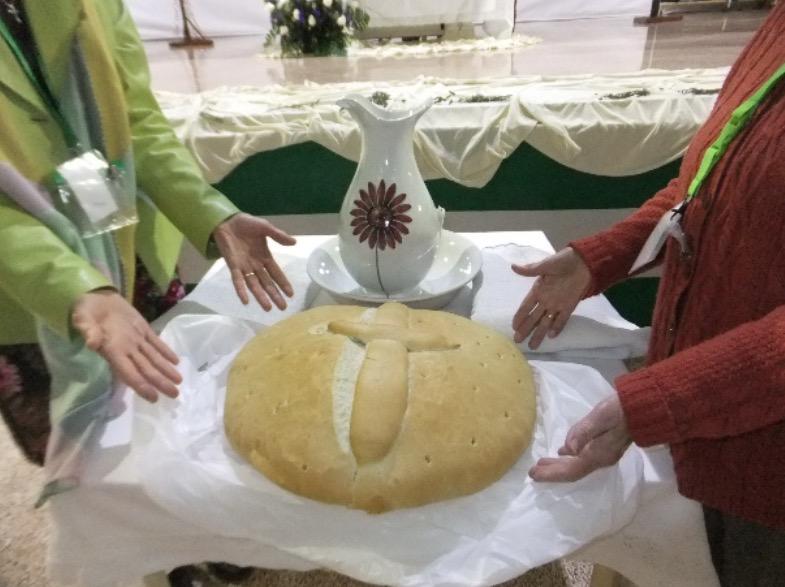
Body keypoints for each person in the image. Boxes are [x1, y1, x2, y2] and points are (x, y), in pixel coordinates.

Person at [0, 0, 291, 584]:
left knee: (177, 418)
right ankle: (163, 554)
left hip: (130, 254)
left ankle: (198, 525)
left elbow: (139, 122)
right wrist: (77, 286)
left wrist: (213, 215)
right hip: (26, 294)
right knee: (98, 464)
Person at [511, 4, 785, 585]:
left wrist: (660, 401)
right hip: (706, 420)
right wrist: (599, 258)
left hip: (768, 476)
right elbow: (708, 190)